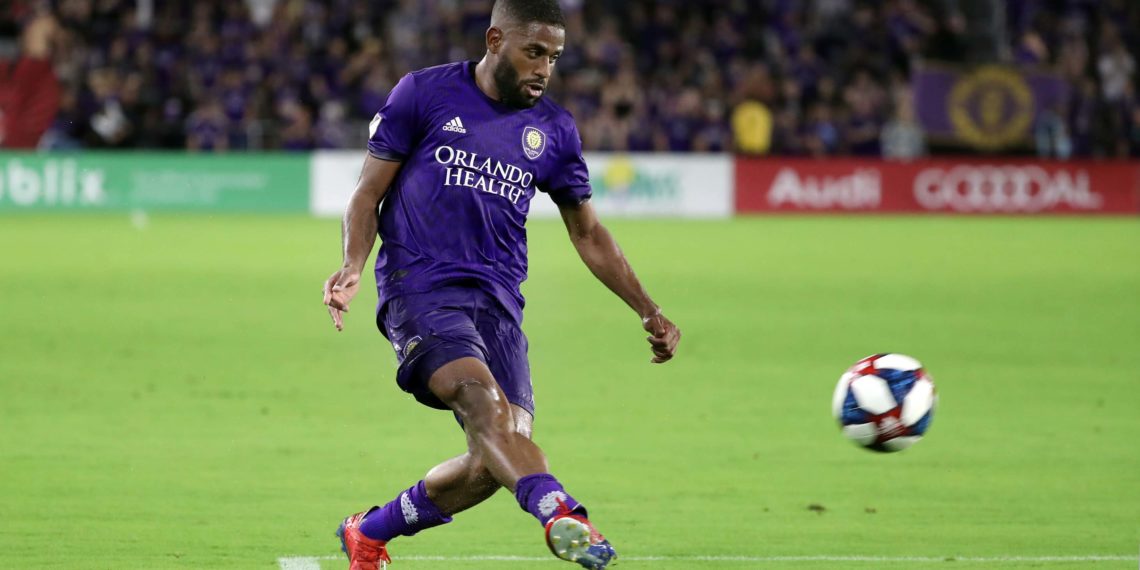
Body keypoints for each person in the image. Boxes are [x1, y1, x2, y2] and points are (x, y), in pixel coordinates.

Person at [320, 1, 681, 569]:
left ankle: (368, 532)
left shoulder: (555, 130)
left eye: (554, 57)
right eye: (532, 51)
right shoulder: (424, 93)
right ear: (495, 40)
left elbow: (587, 232)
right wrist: (351, 266)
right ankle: (561, 511)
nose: (544, 68)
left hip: (498, 305)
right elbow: (368, 193)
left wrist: (648, 309)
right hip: (421, 288)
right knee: (485, 407)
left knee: (495, 457)